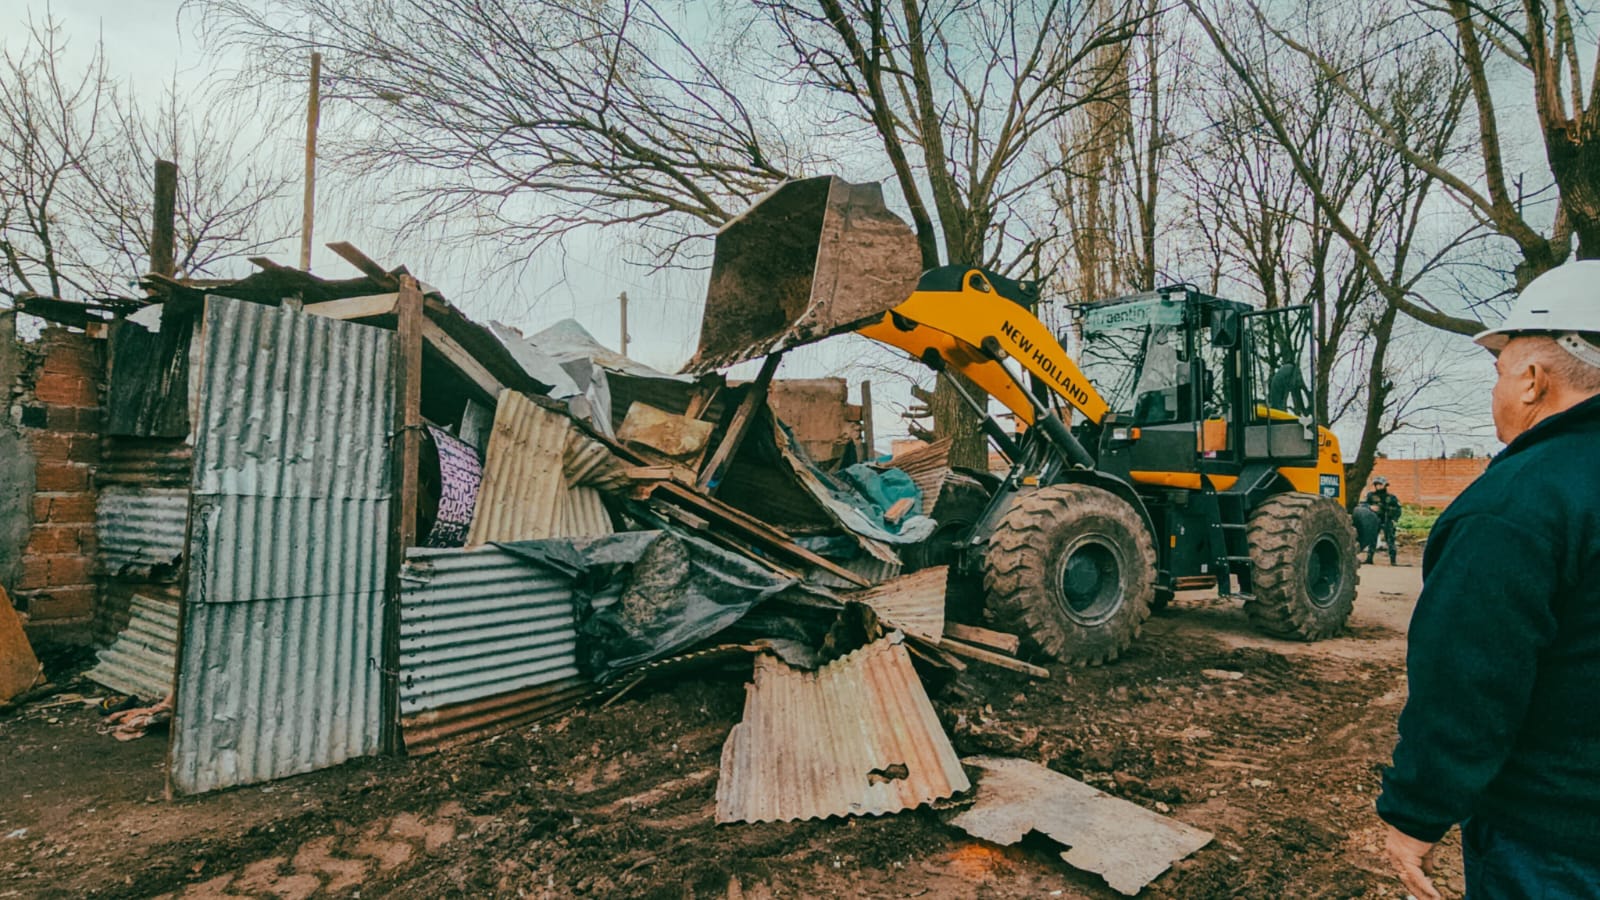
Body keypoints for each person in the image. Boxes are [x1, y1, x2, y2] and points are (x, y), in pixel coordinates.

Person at [1376, 260, 1600, 900]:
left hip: (1556, 843)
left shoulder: (1517, 505)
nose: (1496, 391)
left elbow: (1470, 677)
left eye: (1498, 373)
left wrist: (1417, 813)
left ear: (1532, 381)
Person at [1362, 476, 1402, 565]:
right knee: (1372, 539)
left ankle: (1393, 560)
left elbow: (1398, 509)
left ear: (1385, 485)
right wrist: (1370, 507)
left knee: (1390, 539)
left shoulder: (1391, 497)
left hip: (1387, 520)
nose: (1378, 486)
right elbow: (1363, 505)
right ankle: (1369, 558)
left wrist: (1394, 517)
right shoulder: (1371, 496)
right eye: (1377, 484)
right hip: (1375, 519)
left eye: (1380, 484)